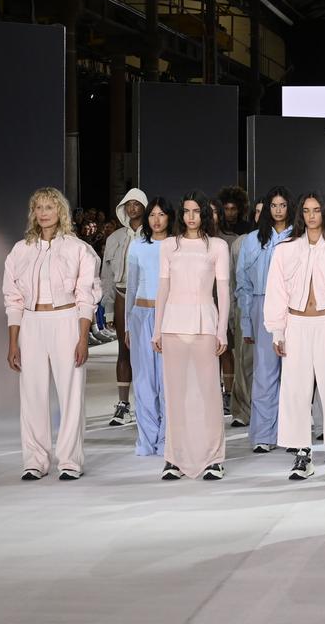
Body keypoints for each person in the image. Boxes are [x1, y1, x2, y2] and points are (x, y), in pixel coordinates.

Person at [265, 192, 325, 480]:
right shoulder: (285, 250)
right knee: (295, 392)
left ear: (324, 213)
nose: (311, 215)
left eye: (316, 210)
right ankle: (302, 454)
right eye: (306, 210)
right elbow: (276, 293)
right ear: (300, 214)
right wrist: (278, 331)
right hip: (296, 325)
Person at [3, 187, 99, 480]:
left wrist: (83, 338)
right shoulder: (20, 250)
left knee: (71, 394)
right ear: (33, 213)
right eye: (38, 208)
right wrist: (13, 342)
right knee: (32, 394)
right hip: (31, 323)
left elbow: (86, 295)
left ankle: (69, 461)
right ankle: (35, 460)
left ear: (61, 212)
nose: (43, 213)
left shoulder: (77, 248)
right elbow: (12, 298)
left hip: (66, 320)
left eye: (49, 207)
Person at [151, 192, 229, 481]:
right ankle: (174, 458)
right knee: (176, 395)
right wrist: (156, 329)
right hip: (172, 325)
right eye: (186, 211)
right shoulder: (169, 246)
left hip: (205, 325)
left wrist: (222, 330)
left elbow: (223, 291)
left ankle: (214, 459)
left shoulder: (218, 246)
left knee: (209, 394)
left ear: (204, 214)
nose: (191, 216)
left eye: (196, 211)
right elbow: (162, 289)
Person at [236, 186, 293, 453]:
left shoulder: (299, 236)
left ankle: (292, 434)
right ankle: (263, 434)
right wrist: (247, 322)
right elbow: (243, 285)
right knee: (265, 372)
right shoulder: (251, 240)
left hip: (295, 308)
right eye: (274, 205)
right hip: (261, 304)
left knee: (294, 373)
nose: (279, 210)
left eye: (283, 205)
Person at [125, 197, 173, 457]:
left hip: (169, 317)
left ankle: (167, 440)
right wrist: (127, 327)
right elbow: (131, 287)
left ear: (169, 217)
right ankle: (146, 440)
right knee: (143, 381)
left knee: (167, 382)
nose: (156, 219)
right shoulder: (137, 246)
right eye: (152, 214)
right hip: (141, 314)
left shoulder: (176, 246)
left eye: (162, 214)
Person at [100, 188, 148, 426]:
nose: (132, 207)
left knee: (147, 352)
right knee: (124, 349)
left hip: (146, 298)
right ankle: (123, 405)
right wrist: (108, 308)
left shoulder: (154, 236)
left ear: (144, 207)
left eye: (136, 203)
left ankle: (146, 404)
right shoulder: (115, 238)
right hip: (121, 294)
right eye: (128, 204)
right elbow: (107, 276)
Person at [227, 201, 260, 428]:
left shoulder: (287, 242)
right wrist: (231, 314)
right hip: (244, 308)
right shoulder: (240, 244)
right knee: (244, 361)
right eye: (257, 211)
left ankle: (268, 412)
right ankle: (241, 410)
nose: (261, 215)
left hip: (272, 308)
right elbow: (232, 282)